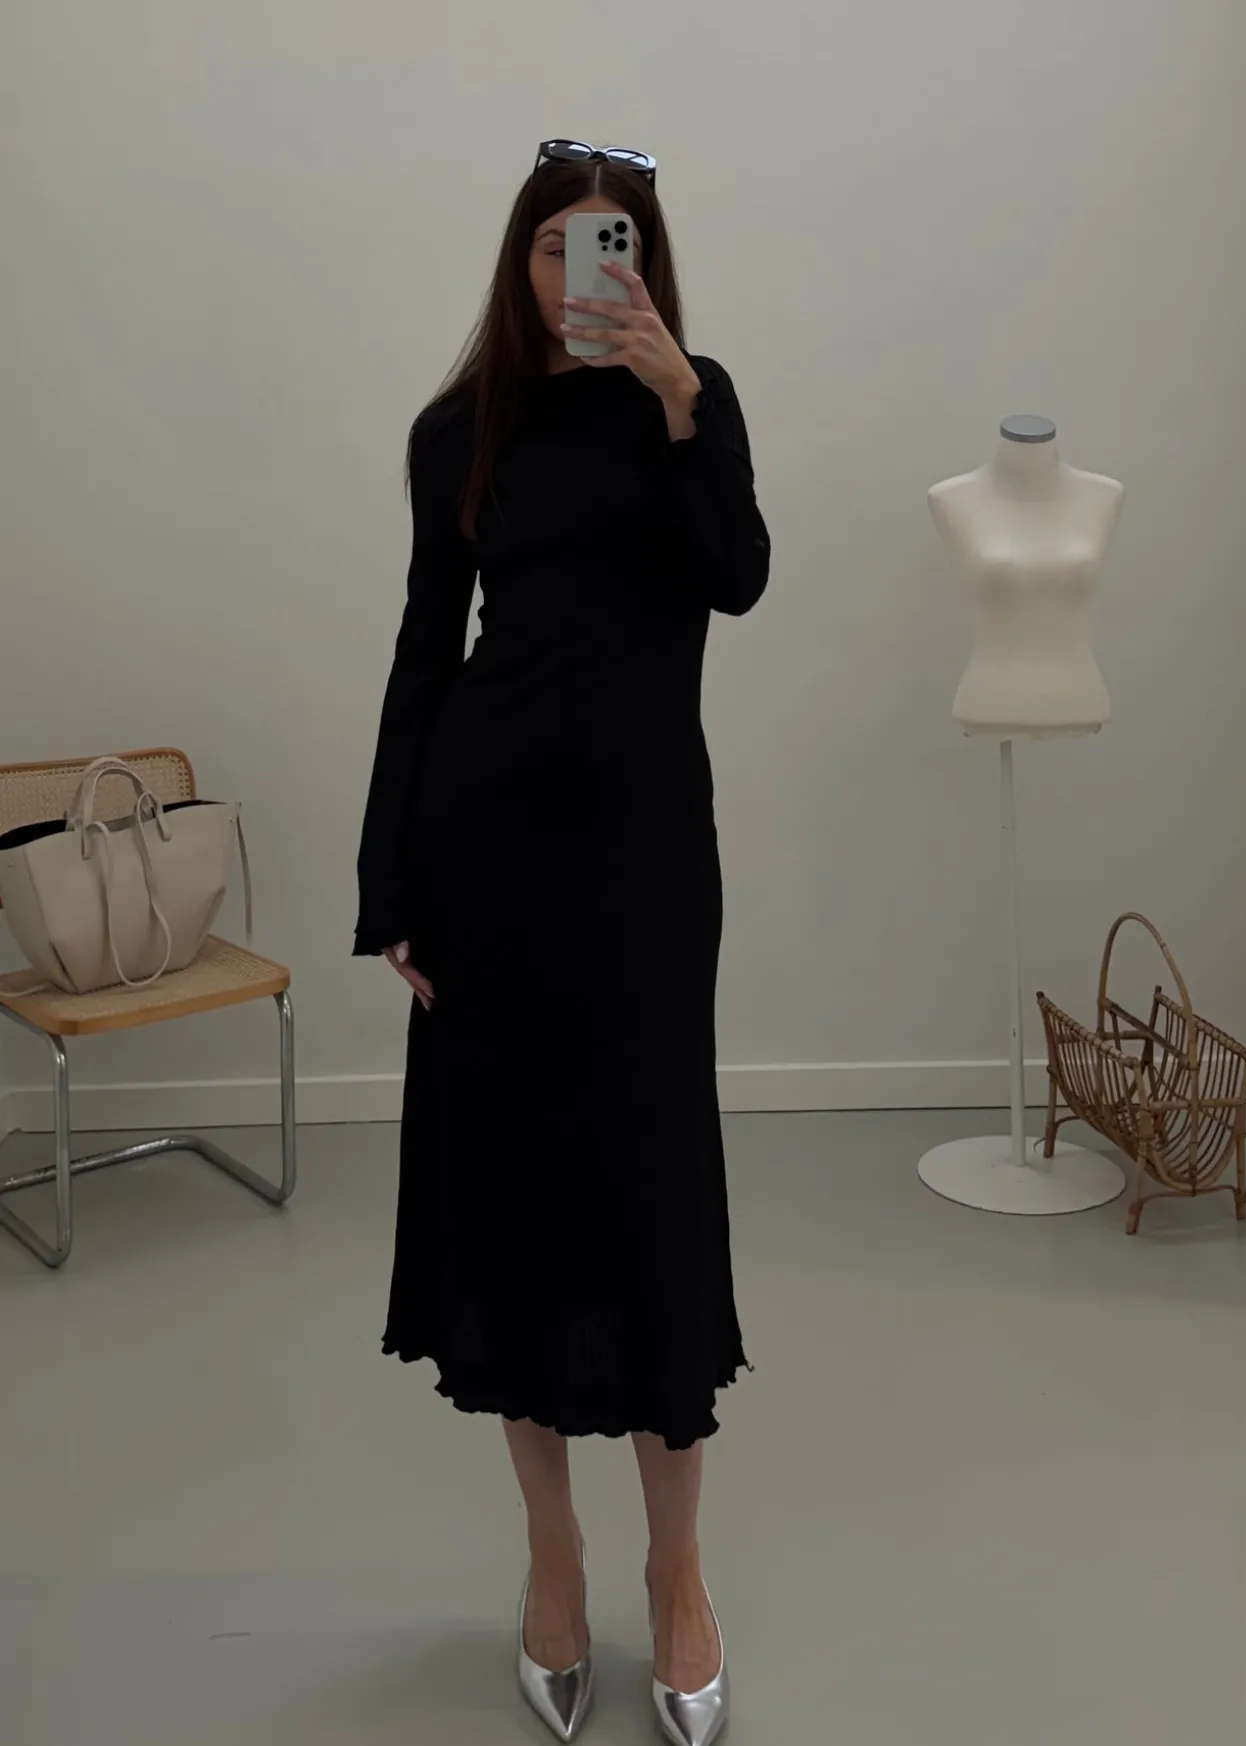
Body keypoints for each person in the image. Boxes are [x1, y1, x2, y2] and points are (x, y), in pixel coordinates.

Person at [354, 138, 770, 1746]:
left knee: (651, 1194)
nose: (580, 271)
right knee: (512, 1201)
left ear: (644, 262)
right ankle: (551, 1547)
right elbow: (422, 648)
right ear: (519, 262)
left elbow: (735, 576)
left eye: (611, 245)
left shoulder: (696, 403)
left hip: (649, 859)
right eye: (554, 246)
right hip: (490, 851)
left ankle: (676, 1567)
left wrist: (673, 401)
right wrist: (390, 878)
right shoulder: (457, 429)